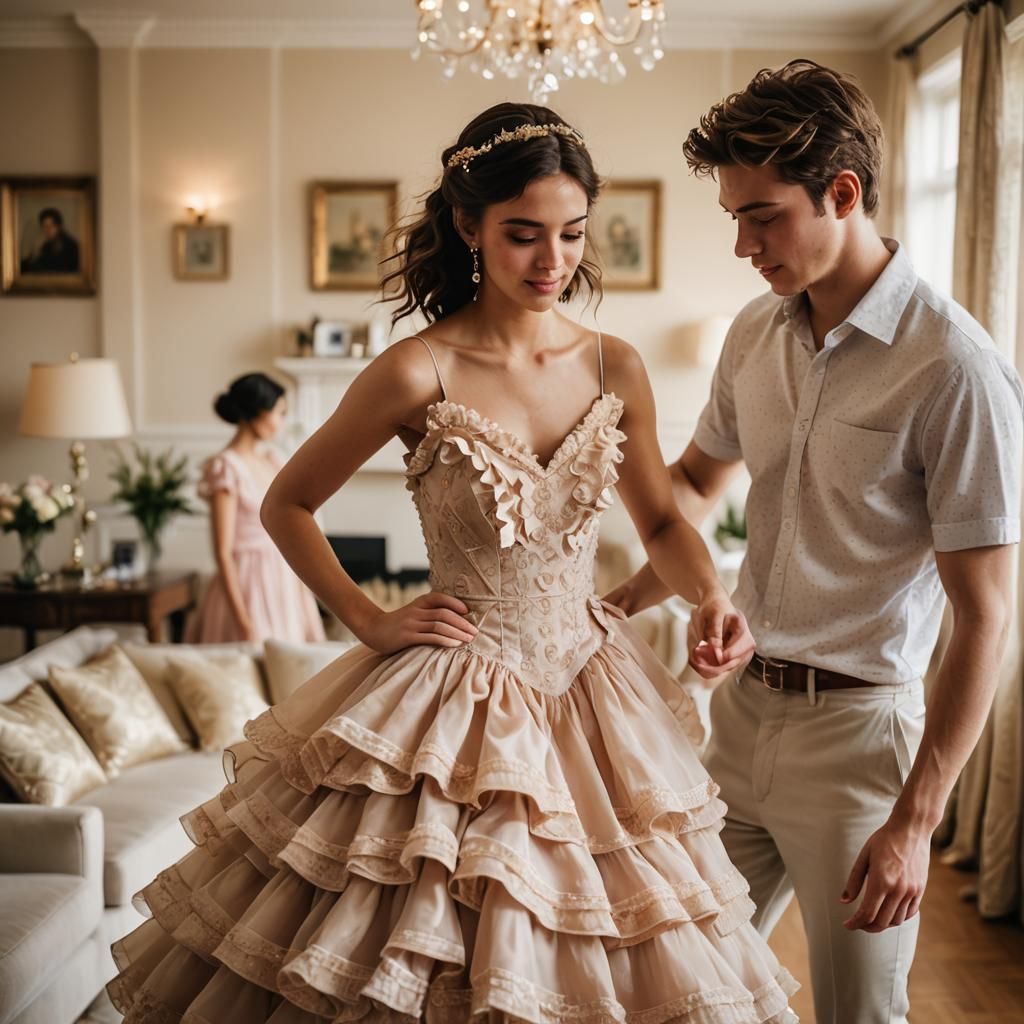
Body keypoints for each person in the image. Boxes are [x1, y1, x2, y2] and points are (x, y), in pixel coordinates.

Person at [107, 103, 798, 1022]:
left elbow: (665, 524)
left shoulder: (613, 364)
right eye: (523, 235)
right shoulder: (414, 370)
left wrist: (711, 596)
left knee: (611, 947)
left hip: (594, 694)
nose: (552, 261)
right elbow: (288, 503)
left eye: (571, 234)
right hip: (452, 696)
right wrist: (368, 616)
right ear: (469, 226)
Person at [606, 60, 1023, 1024]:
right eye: (734, 220)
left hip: (860, 746)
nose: (745, 245)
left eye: (763, 216)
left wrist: (917, 822)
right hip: (739, 720)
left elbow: (985, 620)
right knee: (676, 987)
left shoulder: (957, 370)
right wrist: (622, 590)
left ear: (843, 193)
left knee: (859, 1015)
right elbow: (697, 487)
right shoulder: (752, 334)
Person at [187, 372, 326, 645]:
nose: (282, 423)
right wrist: (244, 621)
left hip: (282, 584)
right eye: (280, 413)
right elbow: (223, 553)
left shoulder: (272, 460)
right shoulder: (226, 467)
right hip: (247, 587)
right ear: (260, 412)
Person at [20, 206, 80, 273]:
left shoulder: (71, 245)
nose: (48, 230)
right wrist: (35, 252)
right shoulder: (44, 244)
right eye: (45, 226)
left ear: (59, 226)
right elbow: (25, 268)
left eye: (52, 225)